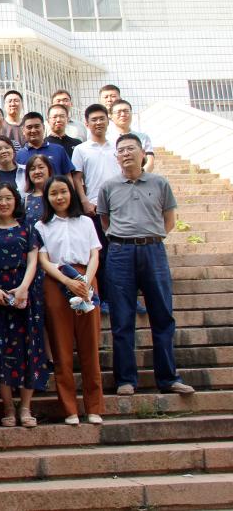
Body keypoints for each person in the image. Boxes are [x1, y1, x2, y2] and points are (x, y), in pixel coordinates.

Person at [98, 134, 194, 396]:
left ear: (143, 154)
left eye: (131, 148)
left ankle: (169, 378)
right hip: (120, 252)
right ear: (116, 157)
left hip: (153, 250)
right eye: (121, 150)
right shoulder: (108, 187)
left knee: (162, 315)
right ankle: (125, 380)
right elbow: (105, 222)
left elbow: (169, 220)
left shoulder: (160, 183)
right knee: (122, 318)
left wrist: (149, 237)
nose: (126, 153)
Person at [0, 183, 49, 428]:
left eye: (8, 198)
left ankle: (26, 407)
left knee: (30, 347)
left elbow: (33, 261)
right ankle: (8, 407)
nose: (4, 203)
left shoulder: (27, 227)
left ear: (16, 201)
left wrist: (23, 288)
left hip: (25, 293)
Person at [36, 176, 105, 425]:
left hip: (86, 280)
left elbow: (94, 254)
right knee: (61, 347)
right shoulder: (42, 226)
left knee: (90, 345)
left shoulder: (86, 222)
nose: (59, 197)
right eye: (53, 193)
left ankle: (94, 407)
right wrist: (67, 282)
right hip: (57, 282)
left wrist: (86, 281)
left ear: (71, 193)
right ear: (47, 198)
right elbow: (43, 260)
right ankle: (70, 409)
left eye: (63, 191)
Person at [72, 103, 122, 311]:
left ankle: (124, 297)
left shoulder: (117, 147)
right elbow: (77, 178)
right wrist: (84, 201)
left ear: (108, 121)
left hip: (120, 209)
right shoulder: (81, 149)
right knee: (100, 254)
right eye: (94, 119)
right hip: (95, 209)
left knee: (121, 254)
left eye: (102, 118)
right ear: (86, 123)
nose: (98, 122)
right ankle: (104, 298)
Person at [16, 112, 75, 182]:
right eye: (29, 127)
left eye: (37, 126)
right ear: (23, 130)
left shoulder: (58, 150)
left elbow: (68, 176)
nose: (33, 130)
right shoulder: (19, 155)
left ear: (43, 128)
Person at [107, 100, 155, 172]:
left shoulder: (143, 138)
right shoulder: (106, 139)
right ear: (110, 116)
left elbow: (150, 162)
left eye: (126, 111)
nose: (123, 114)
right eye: (118, 112)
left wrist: (139, 176)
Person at [23, 154, 54, 233]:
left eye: (41, 167)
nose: (37, 172)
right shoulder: (25, 201)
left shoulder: (58, 196)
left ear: (49, 170)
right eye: (32, 169)